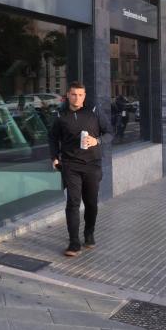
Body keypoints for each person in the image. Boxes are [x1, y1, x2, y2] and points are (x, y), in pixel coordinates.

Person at [49, 81, 113, 257]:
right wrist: (54, 157)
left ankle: (89, 232)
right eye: (74, 94)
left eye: (80, 95)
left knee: (91, 203)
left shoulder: (94, 111)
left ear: (84, 96)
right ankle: (74, 243)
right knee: (73, 203)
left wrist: (96, 141)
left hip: (92, 164)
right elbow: (53, 137)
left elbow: (109, 133)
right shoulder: (60, 115)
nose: (77, 98)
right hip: (70, 165)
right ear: (68, 95)